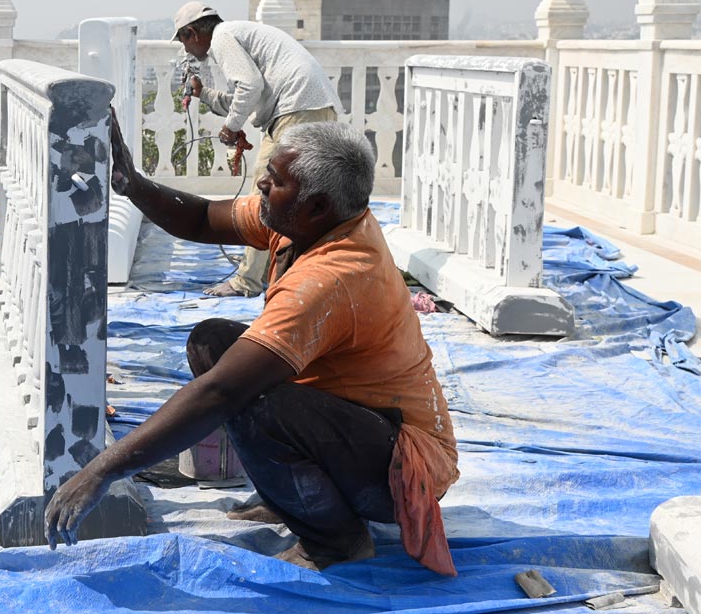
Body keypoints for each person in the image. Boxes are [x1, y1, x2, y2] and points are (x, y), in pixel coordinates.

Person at [43, 115, 460, 575]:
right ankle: (299, 497)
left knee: (248, 400)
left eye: (276, 180)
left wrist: (101, 470)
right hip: (362, 426)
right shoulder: (312, 220)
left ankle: (336, 542)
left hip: (404, 471)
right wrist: (132, 184)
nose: (261, 182)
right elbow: (202, 217)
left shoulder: (331, 277)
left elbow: (221, 393)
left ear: (317, 206)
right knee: (213, 342)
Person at [171, 1, 343, 298]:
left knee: (266, 195)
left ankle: (247, 281)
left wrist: (231, 127)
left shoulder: (222, 36)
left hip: (296, 109)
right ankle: (302, 268)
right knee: (303, 198)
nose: (186, 50)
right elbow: (251, 93)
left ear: (192, 32)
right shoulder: (238, 33)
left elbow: (248, 87)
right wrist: (205, 95)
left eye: (183, 41)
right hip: (313, 107)